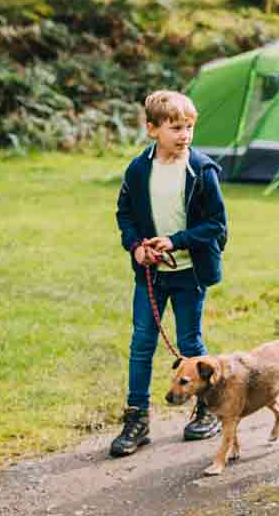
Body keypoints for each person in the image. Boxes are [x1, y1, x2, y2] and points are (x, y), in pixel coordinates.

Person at [110, 90, 229, 457]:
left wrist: (175, 241)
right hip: (150, 276)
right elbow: (124, 215)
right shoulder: (138, 169)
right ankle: (137, 419)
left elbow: (216, 226)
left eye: (189, 127)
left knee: (190, 344)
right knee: (141, 343)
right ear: (152, 129)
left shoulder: (202, 171)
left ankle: (207, 409)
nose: (184, 135)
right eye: (176, 127)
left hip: (189, 275)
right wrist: (137, 247)